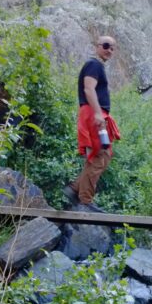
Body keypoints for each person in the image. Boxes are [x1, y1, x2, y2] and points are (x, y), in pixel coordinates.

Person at [64, 35, 120, 211]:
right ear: (97, 46)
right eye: (106, 46)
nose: (109, 50)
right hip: (93, 112)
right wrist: (97, 113)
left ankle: (74, 189)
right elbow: (89, 89)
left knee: (104, 154)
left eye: (112, 48)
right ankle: (85, 201)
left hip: (95, 112)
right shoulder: (93, 64)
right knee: (98, 155)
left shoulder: (96, 66)